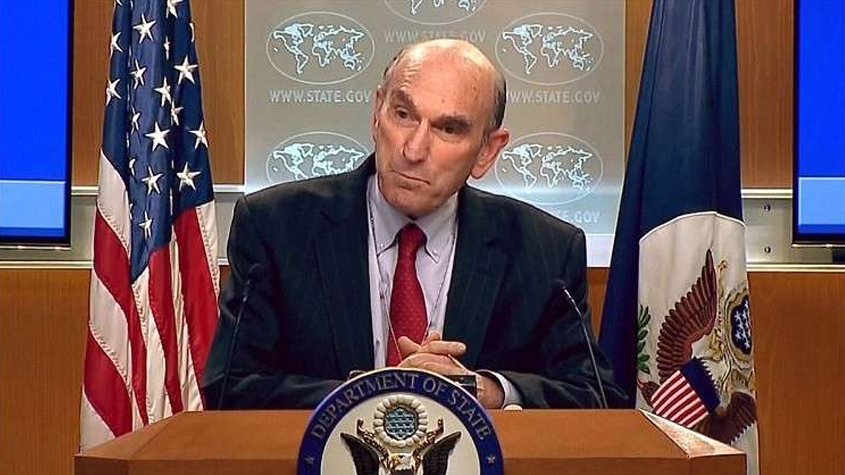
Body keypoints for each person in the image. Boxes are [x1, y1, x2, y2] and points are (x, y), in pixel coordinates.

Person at [202, 39, 626, 410]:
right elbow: (229, 387)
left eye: (449, 128)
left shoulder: (545, 250)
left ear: (487, 151)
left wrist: (485, 391)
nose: (413, 149)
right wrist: (377, 395)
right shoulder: (276, 227)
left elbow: (596, 395)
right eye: (403, 114)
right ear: (377, 113)